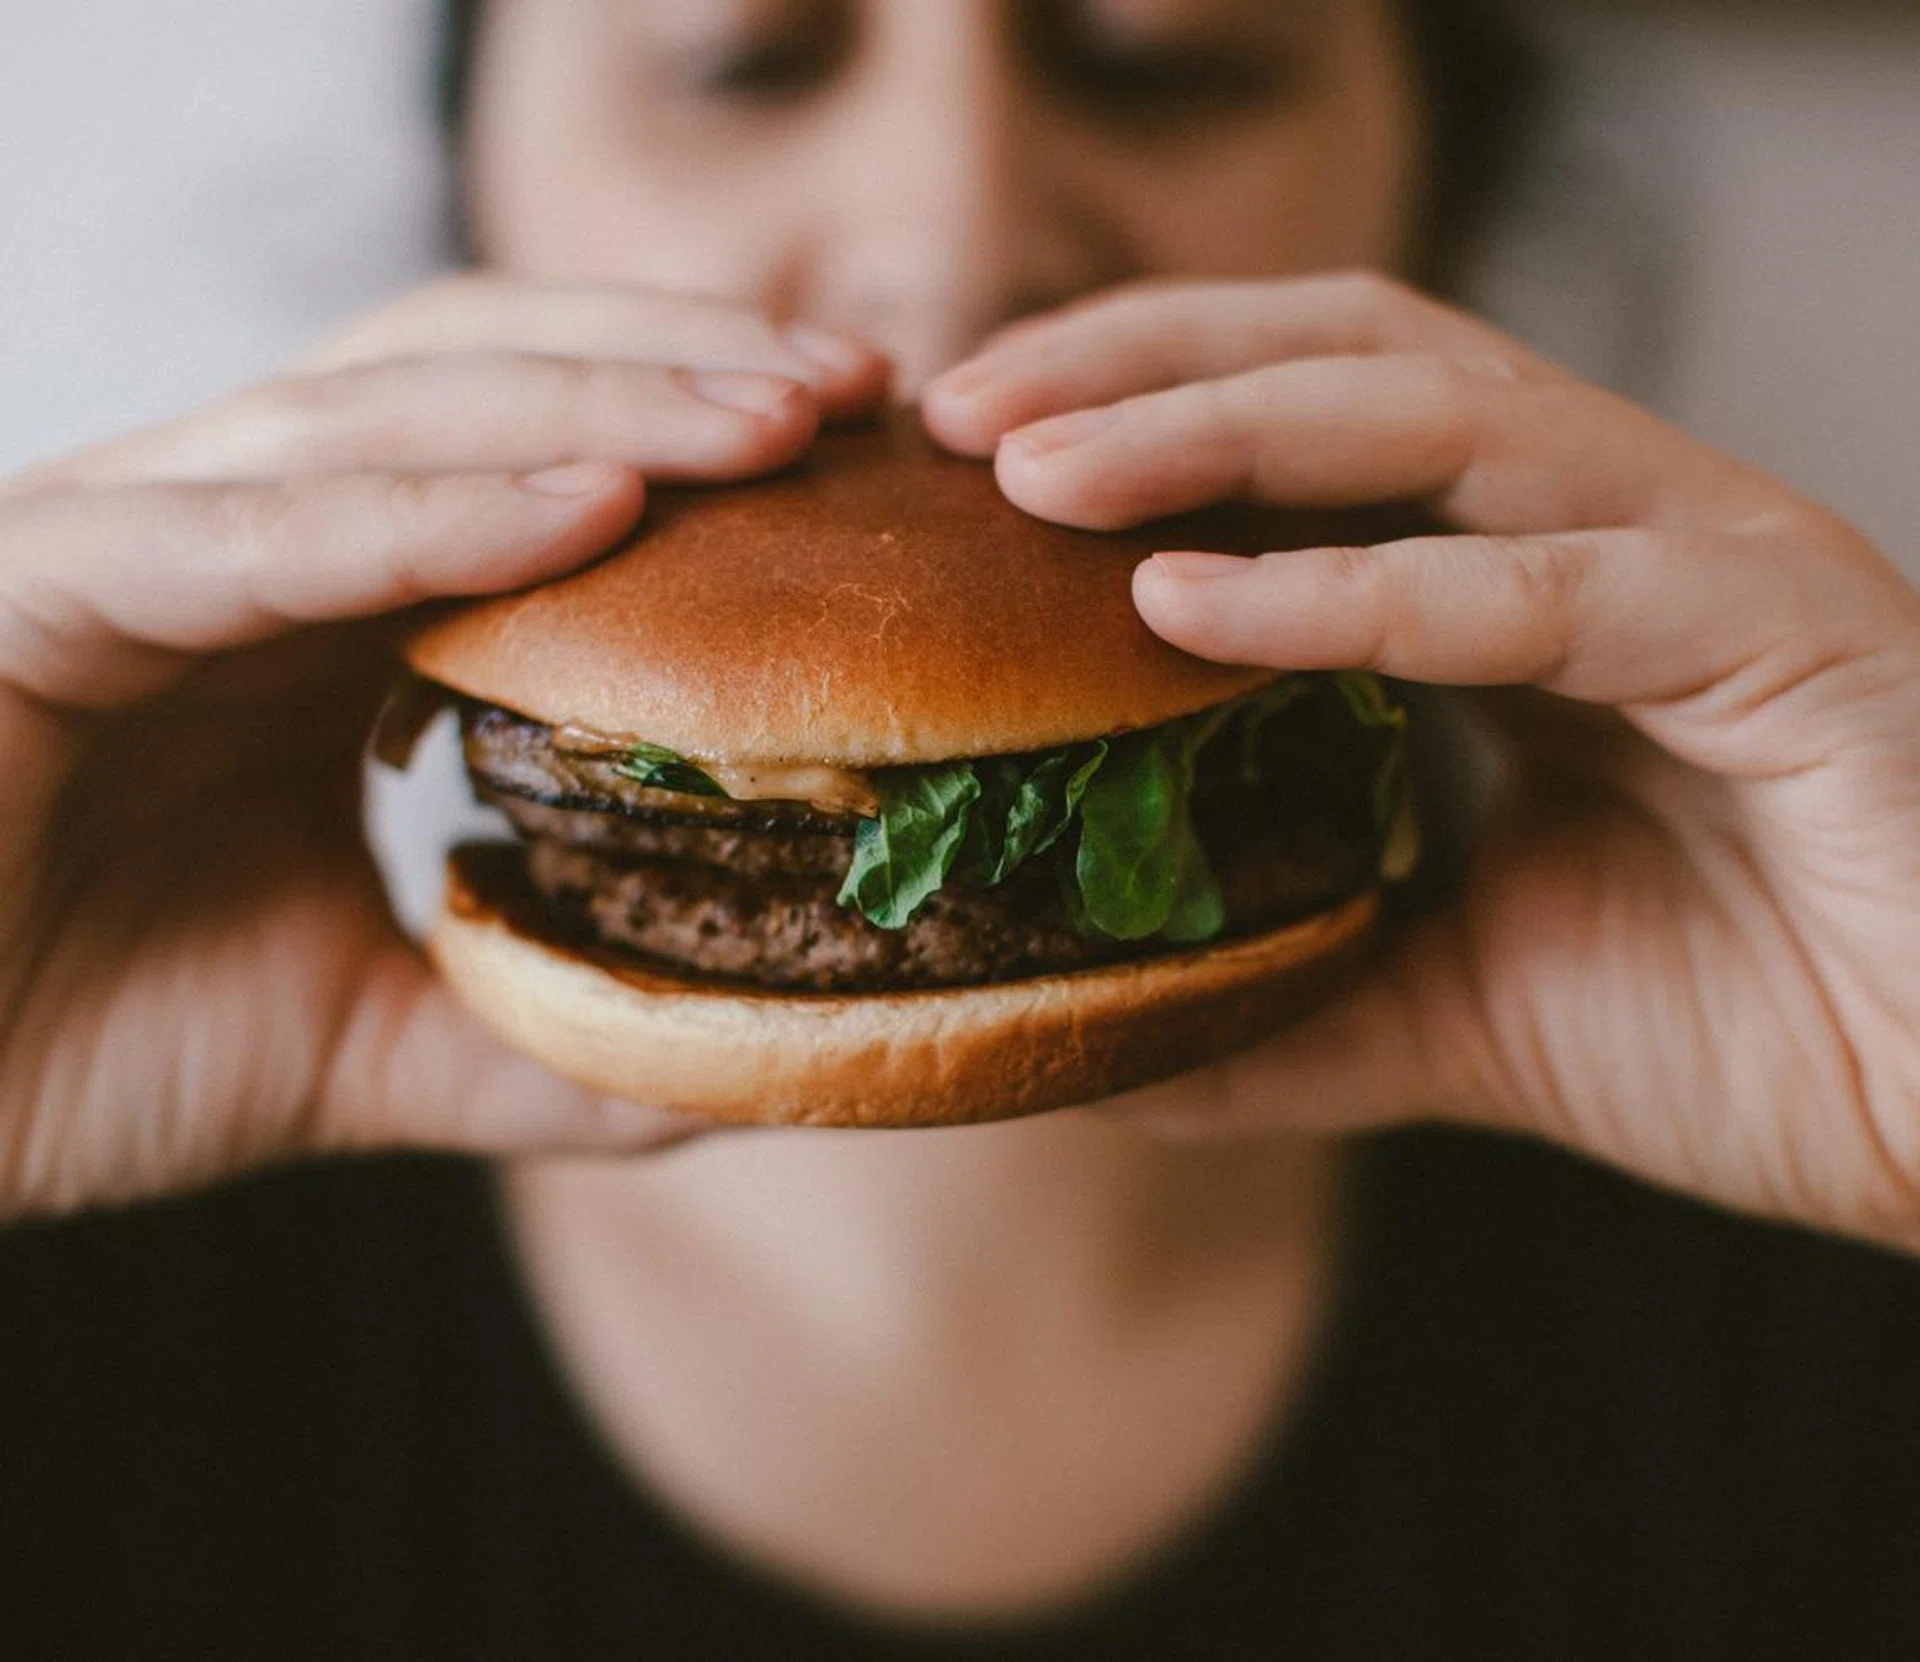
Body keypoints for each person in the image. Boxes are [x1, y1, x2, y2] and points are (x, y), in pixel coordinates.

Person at [2, 1, 1917, 1655]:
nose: (952, 245)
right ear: (475, 202)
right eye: (735, 57)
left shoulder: (1812, 1258)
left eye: (1171, 63)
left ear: (1444, 204)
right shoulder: (89, 1288)